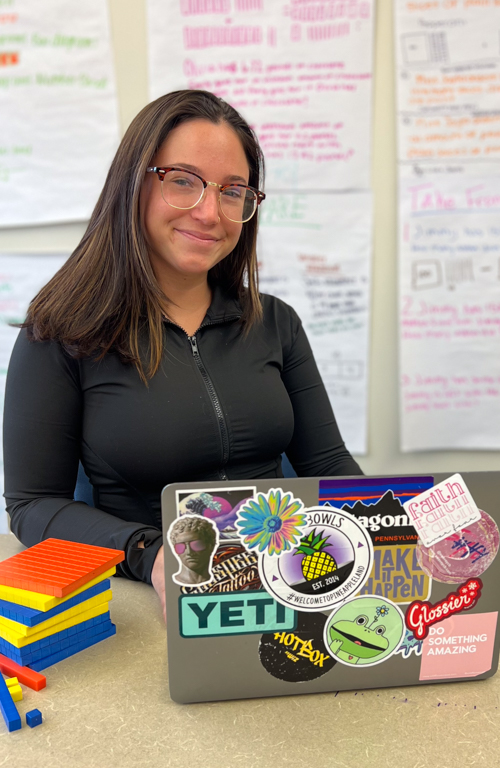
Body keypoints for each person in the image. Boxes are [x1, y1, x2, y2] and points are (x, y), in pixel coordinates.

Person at [3, 89, 363, 621]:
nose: (210, 212)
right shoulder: (61, 333)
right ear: (134, 184)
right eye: (183, 181)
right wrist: (147, 555)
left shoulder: (274, 321)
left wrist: (397, 525)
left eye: (233, 191)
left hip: (288, 586)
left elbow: (328, 464)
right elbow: (33, 506)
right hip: (146, 599)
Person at [168, 516, 218, 586]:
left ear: (211, 545)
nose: (189, 552)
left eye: (196, 545)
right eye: (181, 547)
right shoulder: (170, 584)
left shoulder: (223, 579)